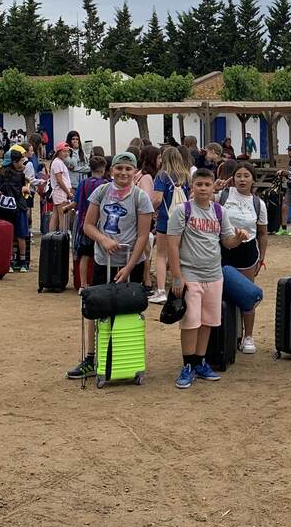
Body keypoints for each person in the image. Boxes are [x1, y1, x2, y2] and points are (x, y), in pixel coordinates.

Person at [66, 151, 155, 379]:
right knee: (96, 308)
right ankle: (91, 357)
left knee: (130, 309)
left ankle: (127, 358)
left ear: (135, 172)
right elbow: (88, 225)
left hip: (131, 262)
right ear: (111, 170)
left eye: (128, 169)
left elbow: (143, 236)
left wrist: (129, 267)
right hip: (102, 260)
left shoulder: (140, 197)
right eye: (119, 168)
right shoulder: (101, 192)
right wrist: (103, 240)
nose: (123, 173)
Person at [167, 166, 250, 389]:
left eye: (207, 185)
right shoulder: (182, 211)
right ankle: (188, 365)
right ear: (192, 187)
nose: (203, 188)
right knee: (190, 321)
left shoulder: (220, 212)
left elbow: (227, 242)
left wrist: (238, 239)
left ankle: (200, 361)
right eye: (199, 184)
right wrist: (177, 277)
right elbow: (172, 245)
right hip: (190, 274)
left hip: (214, 274)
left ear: (214, 187)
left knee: (207, 321)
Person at [220, 162, 269, 353]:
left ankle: (248, 336)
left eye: (246, 176)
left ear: (253, 179)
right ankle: (227, 335)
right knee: (221, 295)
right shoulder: (222, 196)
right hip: (223, 250)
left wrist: (261, 258)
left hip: (247, 253)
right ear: (232, 178)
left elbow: (262, 233)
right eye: (238, 175)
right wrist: (214, 188)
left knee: (246, 295)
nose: (242, 179)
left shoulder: (258, 203)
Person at [149, 144, 192, 304]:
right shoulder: (186, 176)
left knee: (161, 255)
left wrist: (150, 210)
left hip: (166, 220)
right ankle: (181, 286)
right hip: (183, 220)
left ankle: (161, 290)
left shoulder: (162, 176)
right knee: (180, 255)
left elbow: (158, 199)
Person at [73, 155, 109, 288]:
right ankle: (101, 283)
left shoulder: (83, 183)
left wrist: (66, 208)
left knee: (85, 255)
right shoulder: (106, 184)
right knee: (101, 254)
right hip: (101, 224)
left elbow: (75, 202)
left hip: (85, 223)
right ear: (103, 169)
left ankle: (83, 284)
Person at [0, 149, 31, 271]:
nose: (22, 163)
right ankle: (23, 262)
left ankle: (9, 261)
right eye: (21, 161)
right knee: (21, 235)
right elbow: (20, 190)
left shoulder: (0, 174)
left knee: (8, 235)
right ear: (14, 162)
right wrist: (25, 189)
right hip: (19, 208)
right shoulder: (20, 175)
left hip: (4, 210)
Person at [49, 142, 74, 233]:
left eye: (67, 151)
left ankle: (52, 235)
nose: (66, 153)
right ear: (58, 152)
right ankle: (63, 236)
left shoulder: (59, 162)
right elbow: (59, 180)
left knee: (55, 216)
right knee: (63, 217)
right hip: (61, 192)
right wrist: (68, 192)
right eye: (64, 151)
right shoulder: (57, 163)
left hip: (59, 192)